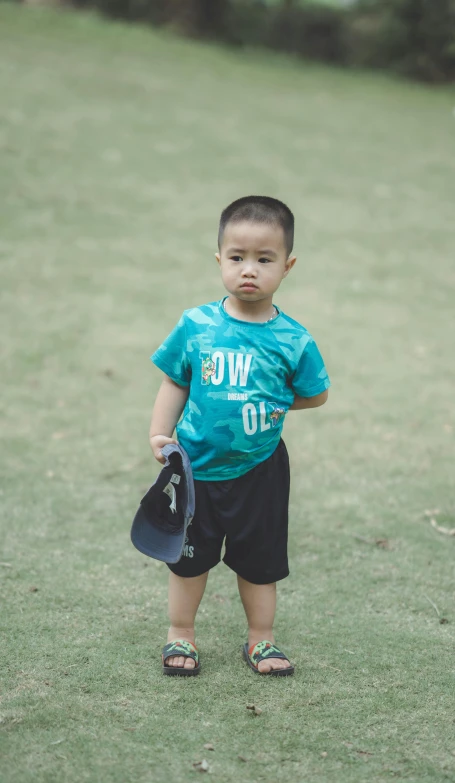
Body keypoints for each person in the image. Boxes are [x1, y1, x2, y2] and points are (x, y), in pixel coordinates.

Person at [149, 195, 330, 676]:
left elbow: (316, 394)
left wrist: (271, 402)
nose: (249, 270)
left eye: (264, 259)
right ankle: (180, 635)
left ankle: (262, 640)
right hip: (196, 465)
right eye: (237, 257)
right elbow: (176, 379)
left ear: (287, 266)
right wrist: (158, 432)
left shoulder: (293, 339)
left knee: (260, 560)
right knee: (189, 560)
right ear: (219, 260)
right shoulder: (197, 324)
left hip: (261, 468)